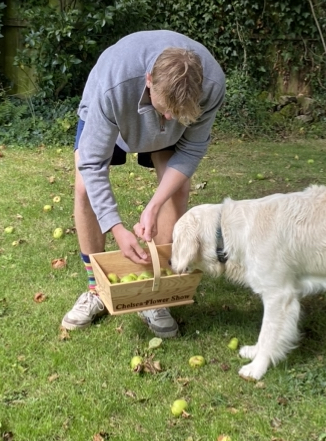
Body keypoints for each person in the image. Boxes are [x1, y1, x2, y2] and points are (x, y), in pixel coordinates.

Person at [61, 30, 226, 337]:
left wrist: (153, 206)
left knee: (178, 190)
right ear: (149, 79)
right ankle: (96, 290)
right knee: (84, 189)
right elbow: (92, 164)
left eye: (175, 113)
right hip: (117, 103)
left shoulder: (212, 85)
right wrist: (116, 227)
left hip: (164, 102)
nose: (168, 118)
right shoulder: (113, 85)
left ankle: (154, 293)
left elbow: (191, 150)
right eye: (164, 109)